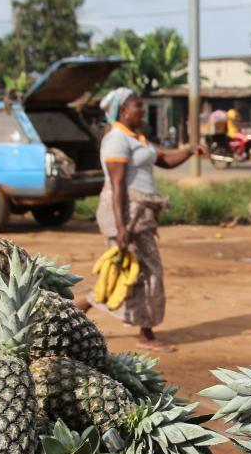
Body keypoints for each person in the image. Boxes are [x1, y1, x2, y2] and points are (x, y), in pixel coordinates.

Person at [78, 87, 206, 352]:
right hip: (126, 213)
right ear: (123, 110)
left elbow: (164, 160)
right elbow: (117, 186)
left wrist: (190, 151)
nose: (142, 109)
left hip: (139, 213)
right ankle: (143, 333)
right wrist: (122, 227)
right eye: (137, 105)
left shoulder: (137, 138)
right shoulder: (116, 140)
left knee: (136, 271)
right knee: (142, 271)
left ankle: (83, 310)